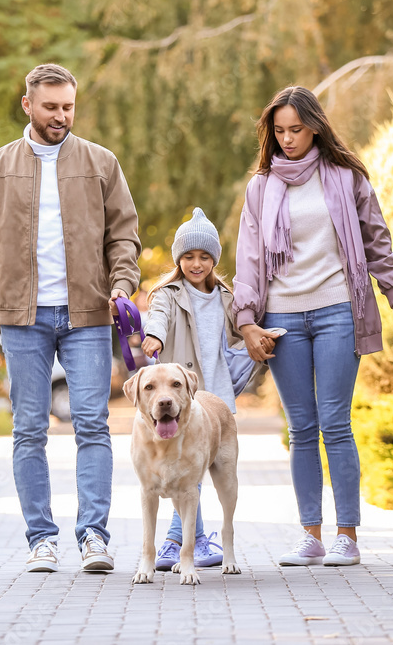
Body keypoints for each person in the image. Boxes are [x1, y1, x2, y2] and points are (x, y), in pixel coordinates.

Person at [0, 63, 141, 573]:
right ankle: (41, 540)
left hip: (89, 314)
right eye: (51, 107)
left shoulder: (101, 162)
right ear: (27, 105)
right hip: (21, 316)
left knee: (93, 426)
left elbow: (124, 235)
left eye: (68, 107)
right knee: (29, 429)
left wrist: (122, 283)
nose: (61, 116)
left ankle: (94, 537)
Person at [233, 86, 393, 567]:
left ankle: (347, 537)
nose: (288, 139)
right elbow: (249, 259)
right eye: (279, 131)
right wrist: (247, 319)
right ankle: (310, 535)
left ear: (315, 126)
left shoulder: (345, 177)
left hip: (338, 309)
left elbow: (376, 239)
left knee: (335, 423)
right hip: (282, 318)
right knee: (300, 427)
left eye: (296, 129)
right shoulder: (261, 187)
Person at [141, 207, 248, 573]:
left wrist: (261, 335)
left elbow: (244, 330)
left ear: (214, 259)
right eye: (188, 256)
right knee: (185, 474)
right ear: (178, 259)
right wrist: (153, 334)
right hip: (181, 398)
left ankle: (182, 541)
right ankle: (181, 540)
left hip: (215, 395)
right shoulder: (167, 294)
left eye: (204, 256)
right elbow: (157, 317)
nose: (196, 263)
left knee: (194, 473)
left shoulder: (225, 297)